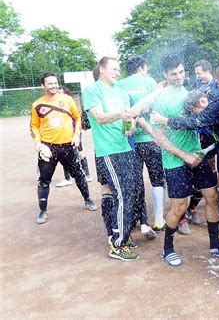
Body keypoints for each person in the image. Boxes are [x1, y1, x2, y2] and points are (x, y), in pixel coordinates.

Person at [149, 54, 219, 266]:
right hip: (175, 160)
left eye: (181, 72)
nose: (179, 77)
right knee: (180, 206)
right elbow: (158, 137)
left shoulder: (190, 92)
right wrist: (184, 155)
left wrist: (199, 152)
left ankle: (216, 245)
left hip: (197, 156)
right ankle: (167, 249)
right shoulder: (160, 100)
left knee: (213, 196)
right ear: (165, 75)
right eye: (173, 74)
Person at [83, 56, 139, 261]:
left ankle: (120, 232)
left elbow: (129, 121)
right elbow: (98, 117)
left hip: (125, 148)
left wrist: (130, 126)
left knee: (129, 193)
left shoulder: (121, 92)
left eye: (118, 70)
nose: (117, 72)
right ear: (102, 69)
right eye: (114, 69)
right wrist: (120, 115)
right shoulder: (93, 91)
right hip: (108, 151)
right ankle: (118, 243)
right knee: (123, 195)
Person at [30, 72, 97, 224]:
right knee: (44, 181)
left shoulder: (67, 100)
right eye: (50, 83)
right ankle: (42, 210)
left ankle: (88, 200)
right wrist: (39, 144)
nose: (53, 86)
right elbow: (34, 126)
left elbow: (77, 117)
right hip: (48, 147)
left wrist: (77, 135)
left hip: (68, 145)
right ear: (43, 86)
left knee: (79, 175)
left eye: (55, 83)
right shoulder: (37, 105)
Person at [115, 55, 166, 237]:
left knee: (135, 180)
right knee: (157, 179)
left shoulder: (119, 85)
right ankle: (159, 220)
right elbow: (155, 106)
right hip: (151, 139)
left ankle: (139, 218)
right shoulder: (149, 81)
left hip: (130, 141)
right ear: (142, 68)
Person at [55, 85, 93, 187]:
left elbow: (76, 119)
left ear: (66, 94)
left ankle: (85, 175)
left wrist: (76, 133)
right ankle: (70, 177)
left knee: (77, 153)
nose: (58, 95)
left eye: (61, 93)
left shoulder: (69, 104)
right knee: (66, 153)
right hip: (65, 133)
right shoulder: (59, 104)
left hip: (73, 133)